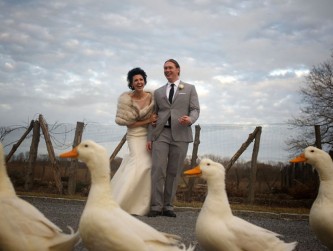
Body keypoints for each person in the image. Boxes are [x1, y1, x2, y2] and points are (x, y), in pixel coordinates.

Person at [147, 59, 200, 217]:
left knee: (174, 171)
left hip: (181, 134)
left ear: (178, 70)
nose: (167, 70)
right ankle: (156, 206)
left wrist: (190, 119)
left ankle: (168, 206)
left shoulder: (190, 88)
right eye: (165, 68)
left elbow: (195, 109)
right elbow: (153, 116)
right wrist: (150, 137)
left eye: (170, 67)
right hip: (161, 134)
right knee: (157, 169)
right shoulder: (158, 92)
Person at [111, 67, 157, 216]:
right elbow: (128, 124)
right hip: (134, 135)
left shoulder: (152, 97)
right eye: (135, 80)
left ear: (144, 81)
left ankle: (142, 205)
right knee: (139, 164)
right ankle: (120, 202)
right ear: (131, 83)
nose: (139, 82)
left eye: (141, 79)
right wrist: (148, 120)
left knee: (148, 166)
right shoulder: (126, 100)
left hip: (149, 135)